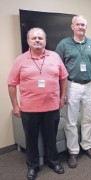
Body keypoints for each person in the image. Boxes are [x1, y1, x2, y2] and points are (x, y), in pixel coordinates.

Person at [7, 27, 68, 180]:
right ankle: (33, 166)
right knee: (31, 139)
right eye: (34, 38)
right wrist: (15, 105)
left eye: (40, 38)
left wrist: (63, 97)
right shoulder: (20, 60)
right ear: (28, 41)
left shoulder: (54, 57)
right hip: (29, 109)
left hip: (52, 107)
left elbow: (64, 78)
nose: (37, 40)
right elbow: (11, 84)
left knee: (50, 137)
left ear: (45, 41)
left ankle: (54, 162)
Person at [55, 15, 91, 168]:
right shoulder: (63, 44)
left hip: (89, 85)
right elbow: (58, 69)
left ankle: (87, 146)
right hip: (72, 85)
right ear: (72, 27)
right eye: (78, 24)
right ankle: (73, 151)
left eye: (83, 25)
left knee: (88, 118)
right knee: (71, 121)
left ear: (86, 27)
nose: (81, 27)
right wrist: (61, 92)